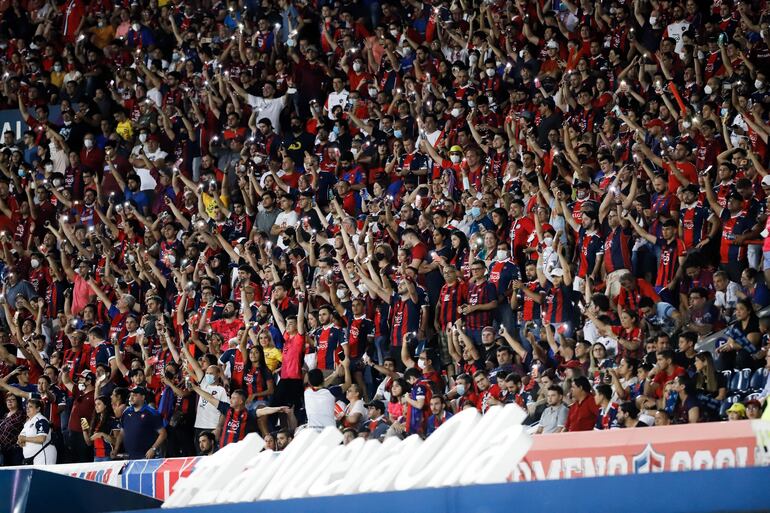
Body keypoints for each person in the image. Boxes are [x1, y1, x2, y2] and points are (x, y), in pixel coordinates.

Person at [113, 387, 167, 460]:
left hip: (146, 457)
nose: (131, 398)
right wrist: (116, 449)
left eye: (134, 395)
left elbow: (163, 434)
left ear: (143, 397)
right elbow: (122, 433)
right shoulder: (126, 413)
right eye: (130, 395)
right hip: (129, 457)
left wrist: (153, 449)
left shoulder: (151, 413)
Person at [19, 398, 57, 464]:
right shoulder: (27, 423)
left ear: (38, 409)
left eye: (30, 407)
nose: (27, 409)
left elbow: (41, 439)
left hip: (43, 454)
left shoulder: (41, 420)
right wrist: (20, 441)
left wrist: (24, 439)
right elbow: (20, 438)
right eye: (27, 407)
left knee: (43, 474)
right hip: (30, 458)